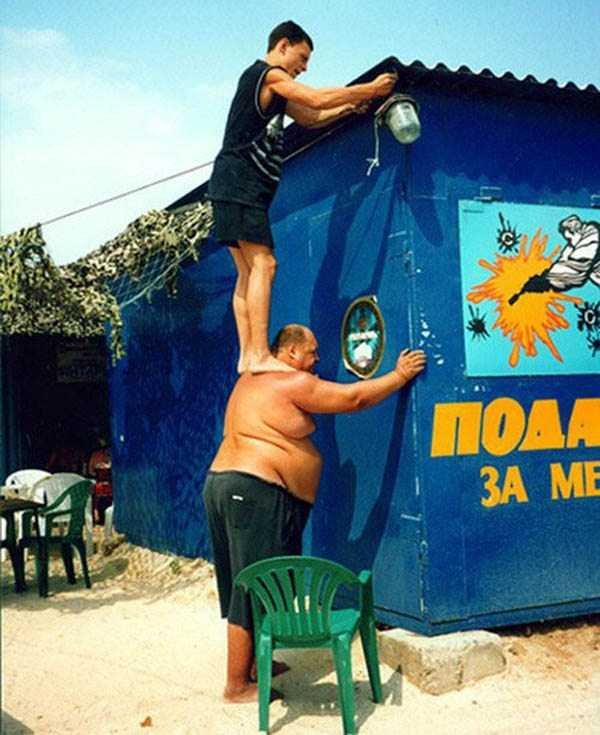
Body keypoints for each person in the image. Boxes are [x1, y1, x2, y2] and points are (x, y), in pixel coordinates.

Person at [203, 324, 426, 702]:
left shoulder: (252, 380)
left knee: (260, 580)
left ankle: (256, 664)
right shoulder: (289, 381)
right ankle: (237, 684)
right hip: (253, 489)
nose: (317, 360)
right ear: (291, 352)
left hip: (231, 485)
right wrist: (399, 376)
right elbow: (354, 398)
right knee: (252, 584)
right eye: (312, 352)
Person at [208, 21, 398, 374]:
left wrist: (348, 109)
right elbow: (314, 97)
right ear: (283, 45)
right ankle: (259, 353)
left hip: (231, 186)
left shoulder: (275, 91)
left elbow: (311, 116)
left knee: (247, 272)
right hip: (240, 183)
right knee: (265, 265)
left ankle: (247, 357)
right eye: (303, 57)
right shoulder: (267, 75)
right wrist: (369, 90)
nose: (305, 67)